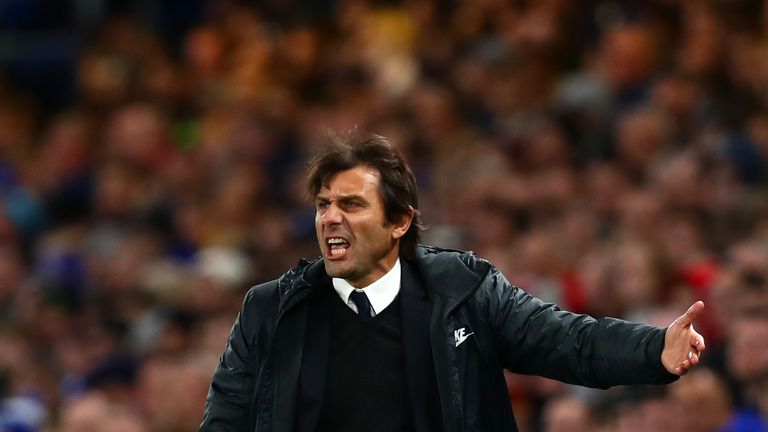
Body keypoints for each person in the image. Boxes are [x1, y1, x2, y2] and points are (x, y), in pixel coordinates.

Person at [199, 133, 706, 432]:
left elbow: (568, 341)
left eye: (351, 205)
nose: (330, 218)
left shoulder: (464, 292)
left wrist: (653, 348)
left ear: (399, 222)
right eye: (323, 205)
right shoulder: (271, 310)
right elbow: (225, 419)